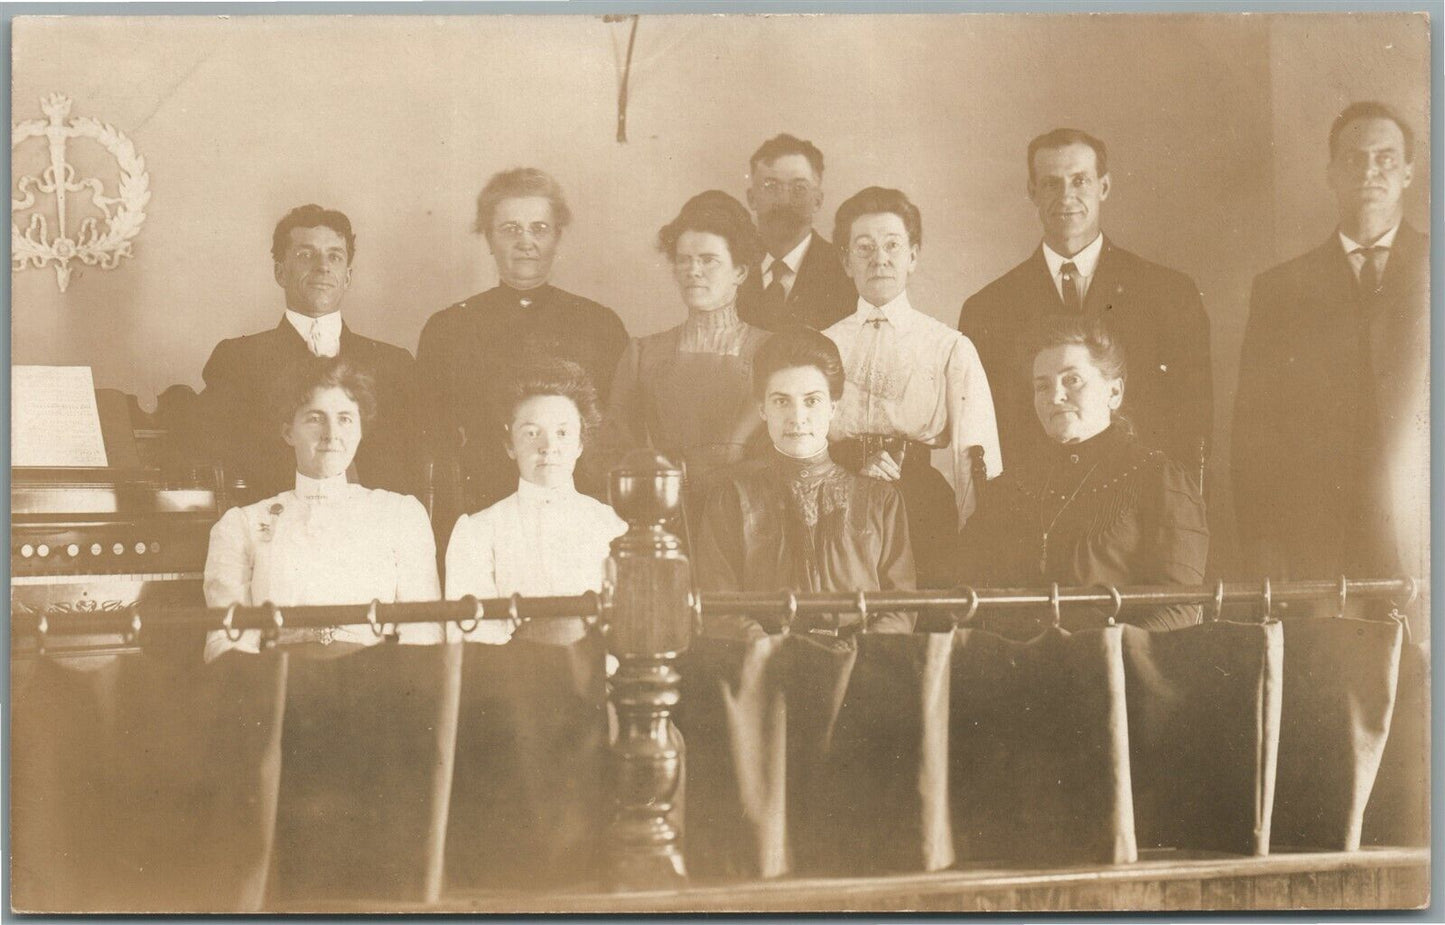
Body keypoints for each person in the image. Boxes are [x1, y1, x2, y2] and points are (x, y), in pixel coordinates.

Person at [1232, 102, 1427, 622]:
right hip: (1316, 551)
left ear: (1409, 171)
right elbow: (1254, 430)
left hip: (1424, 540)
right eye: (1354, 159)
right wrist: (1263, 543)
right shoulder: (1281, 289)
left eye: (1386, 159)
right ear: (1330, 173)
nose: (1369, 172)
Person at [958, 128, 1213, 477]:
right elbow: (982, 443)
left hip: (1139, 508)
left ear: (1103, 187)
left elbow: (1192, 433)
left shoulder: (1168, 294)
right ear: (1031, 191)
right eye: (1051, 183)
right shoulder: (987, 309)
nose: (1066, 197)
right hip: (1032, 516)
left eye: (1080, 181)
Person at [957, 316, 1208, 634]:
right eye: (1042, 386)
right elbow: (963, 591)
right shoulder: (1011, 486)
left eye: (1072, 380)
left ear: (1114, 392)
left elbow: (1178, 610)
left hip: (1114, 672)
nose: (1055, 396)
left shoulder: (1158, 480)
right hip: (1014, 670)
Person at [416, 168, 629, 518]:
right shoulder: (448, 329)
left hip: (579, 509)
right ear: (488, 238)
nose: (525, 242)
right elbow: (433, 442)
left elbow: (615, 437)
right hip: (480, 508)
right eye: (510, 229)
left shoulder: (599, 325)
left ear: (557, 238)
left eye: (539, 229)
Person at [202, 357, 442, 662]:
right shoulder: (242, 525)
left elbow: (423, 633)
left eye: (344, 419)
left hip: (376, 687)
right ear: (288, 432)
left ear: (360, 430)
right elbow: (227, 641)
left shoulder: (400, 515)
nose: (331, 434)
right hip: (280, 690)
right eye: (315, 418)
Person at [822, 186, 1001, 586]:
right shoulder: (822, 345)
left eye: (892, 246)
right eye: (864, 248)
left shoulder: (948, 345)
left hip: (918, 504)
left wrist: (973, 543)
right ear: (846, 260)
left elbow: (975, 454)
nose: (880, 259)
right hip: (836, 499)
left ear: (913, 256)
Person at [694, 328, 917, 640]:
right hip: (765, 669)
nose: (797, 417)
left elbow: (901, 607)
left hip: (861, 667)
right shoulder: (730, 497)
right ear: (762, 409)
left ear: (833, 407)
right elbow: (718, 607)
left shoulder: (880, 499)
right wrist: (776, 656)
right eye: (781, 401)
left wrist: (857, 656)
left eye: (812, 401)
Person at [200, 204, 418, 500]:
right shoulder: (238, 360)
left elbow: (414, 467)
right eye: (306, 255)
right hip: (280, 529)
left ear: (348, 276)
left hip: (373, 535)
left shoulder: (394, 364)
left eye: (334, 256)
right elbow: (218, 456)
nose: (322, 267)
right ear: (280, 273)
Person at [604, 190, 772, 513]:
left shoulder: (772, 351)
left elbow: (783, 454)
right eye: (684, 260)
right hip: (666, 515)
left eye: (708, 260)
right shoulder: (642, 355)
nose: (693, 271)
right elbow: (615, 450)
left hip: (750, 518)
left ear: (740, 272)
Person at [446, 359, 626, 647]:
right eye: (531, 433)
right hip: (512, 681)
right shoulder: (478, 531)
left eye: (562, 433)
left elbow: (624, 629)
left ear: (580, 443)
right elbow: (472, 636)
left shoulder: (613, 527)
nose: (547, 446)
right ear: (510, 445)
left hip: (599, 679)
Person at [736, 134, 856, 332]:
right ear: (751, 198)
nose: (784, 200)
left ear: (817, 200)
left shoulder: (846, 273)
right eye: (770, 186)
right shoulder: (729, 268)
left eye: (799, 188)